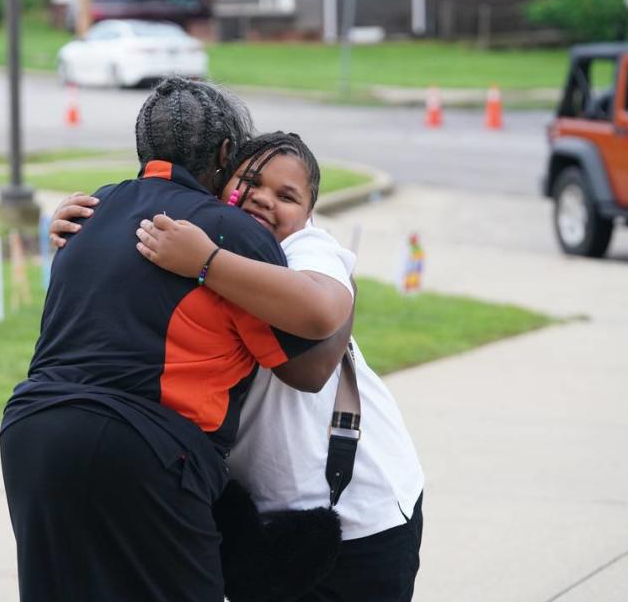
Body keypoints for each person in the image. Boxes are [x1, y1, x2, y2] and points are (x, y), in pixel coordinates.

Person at [0, 79, 354, 602]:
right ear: (226, 154)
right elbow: (308, 367)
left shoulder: (91, 209)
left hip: (30, 431)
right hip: (145, 447)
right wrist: (344, 286)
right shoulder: (230, 232)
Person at [53, 131, 425, 601]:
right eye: (251, 181)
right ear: (220, 185)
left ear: (308, 215)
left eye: (287, 196)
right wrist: (79, 223)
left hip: (360, 515)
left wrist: (206, 262)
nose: (265, 199)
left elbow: (309, 370)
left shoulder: (307, 251)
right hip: (261, 527)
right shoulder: (194, 237)